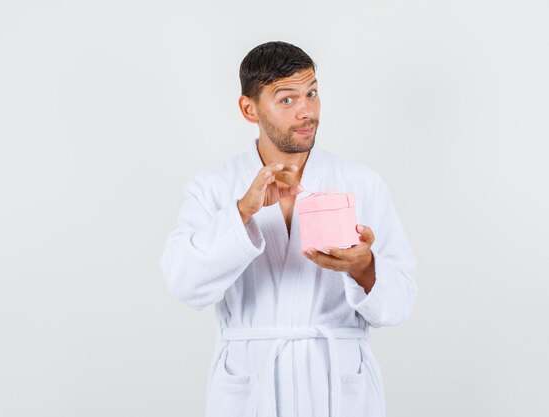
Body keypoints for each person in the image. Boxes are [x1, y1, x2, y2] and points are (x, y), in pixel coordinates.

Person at [159, 41, 417, 417]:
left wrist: (364, 267)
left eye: (311, 93)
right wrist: (242, 212)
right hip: (251, 383)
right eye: (287, 100)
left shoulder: (361, 182)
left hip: (338, 384)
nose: (306, 111)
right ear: (250, 109)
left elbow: (400, 303)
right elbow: (183, 283)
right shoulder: (214, 187)